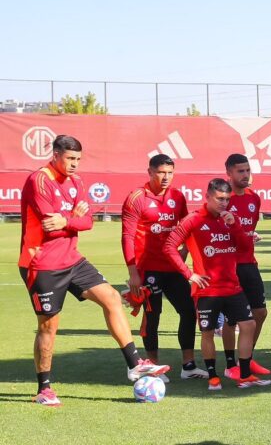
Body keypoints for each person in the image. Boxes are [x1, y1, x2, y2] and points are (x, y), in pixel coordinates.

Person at [20, 135, 168, 406]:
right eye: (69, 158)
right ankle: (44, 389)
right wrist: (72, 218)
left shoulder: (76, 181)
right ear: (55, 155)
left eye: (78, 159)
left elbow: (88, 222)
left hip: (72, 259)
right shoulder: (39, 180)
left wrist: (68, 220)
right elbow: (49, 226)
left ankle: (135, 364)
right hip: (42, 263)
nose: (75, 164)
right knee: (48, 326)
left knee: (111, 298)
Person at [165, 179, 270, 390]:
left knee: (248, 325)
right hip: (208, 290)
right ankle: (213, 377)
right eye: (220, 199)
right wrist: (189, 274)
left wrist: (235, 226)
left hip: (233, 286)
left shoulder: (230, 219)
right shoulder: (193, 220)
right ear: (207, 197)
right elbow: (169, 246)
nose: (224, 203)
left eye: (227, 199)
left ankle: (244, 375)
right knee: (208, 333)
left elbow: (244, 247)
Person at [120, 154, 198, 379]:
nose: (166, 177)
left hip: (173, 267)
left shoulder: (177, 196)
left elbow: (187, 227)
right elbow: (127, 237)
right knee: (152, 317)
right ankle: (153, 366)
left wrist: (185, 251)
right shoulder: (136, 198)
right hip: (148, 269)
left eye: (170, 173)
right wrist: (133, 273)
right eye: (161, 172)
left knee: (188, 311)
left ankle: (189, 366)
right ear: (150, 172)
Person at [221, 154, 271, 379]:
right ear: (229, 173)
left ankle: (247, 358)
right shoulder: (223, 198)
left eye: (247, 170)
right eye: (240, 171)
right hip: (229, 265)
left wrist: (251, 236)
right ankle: (231, 364)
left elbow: (247, 229)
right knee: (232, 318)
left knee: (260, 312)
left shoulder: (254, 198)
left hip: (249, 263)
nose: (245, 175)